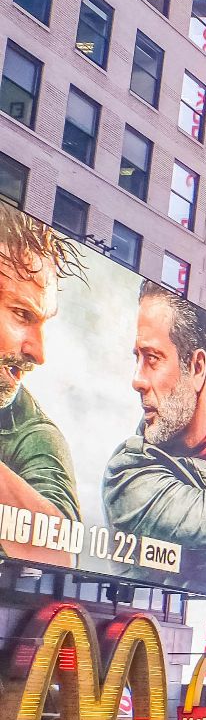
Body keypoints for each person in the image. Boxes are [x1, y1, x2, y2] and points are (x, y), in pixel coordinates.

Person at [102, 281, 206, 593]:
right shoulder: (128, 474)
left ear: (197, 367)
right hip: (164, 617)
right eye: (137, 358)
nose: (137, 380)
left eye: (152, 358)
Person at [0, 204, 82, 568]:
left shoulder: (33, 433)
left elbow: (57, 551)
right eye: (22, 315)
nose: (39, 353)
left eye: (42, 322)